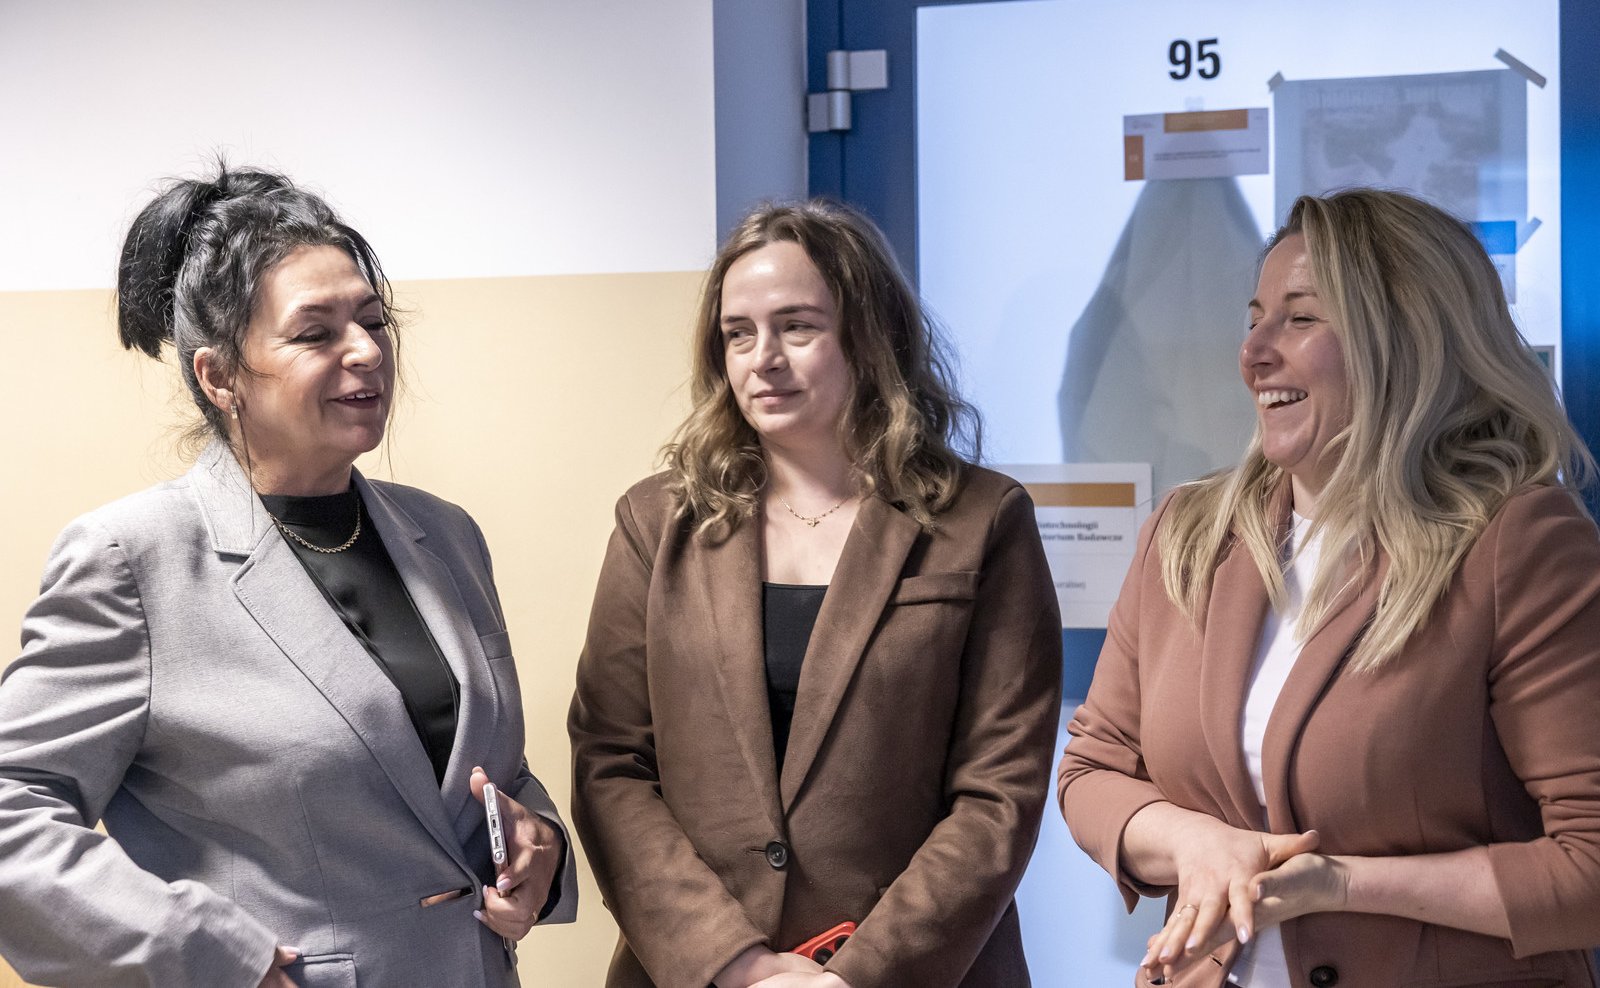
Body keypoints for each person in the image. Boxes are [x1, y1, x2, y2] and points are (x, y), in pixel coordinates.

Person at [0, 166, 577, 988]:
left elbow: (474, 774)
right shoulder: (133, 559)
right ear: (219, 377)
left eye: (372, 321)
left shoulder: (446, 536)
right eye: (315, 334)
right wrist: (200, 953)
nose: (367, 351)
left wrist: (541, 845)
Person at [1057, 188, 1600, 987]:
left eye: (1300, 319)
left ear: (1404, 340)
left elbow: (1589, 866)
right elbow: (1091, 772)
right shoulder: (1186, 532)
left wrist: (1340, 884)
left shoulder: (1517, 543)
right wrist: (1194, 843)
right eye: (1254, 319)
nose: (1253, 352)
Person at [569, 199, 1063, 988]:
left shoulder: (982, 521)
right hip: (701, 973)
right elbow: (611, 764)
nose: (762, 358)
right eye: (738, 333)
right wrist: (734, 963)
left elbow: (999, 791)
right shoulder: (656, 522)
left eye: (796, 326)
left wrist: (852, 977)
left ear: (870, 335)